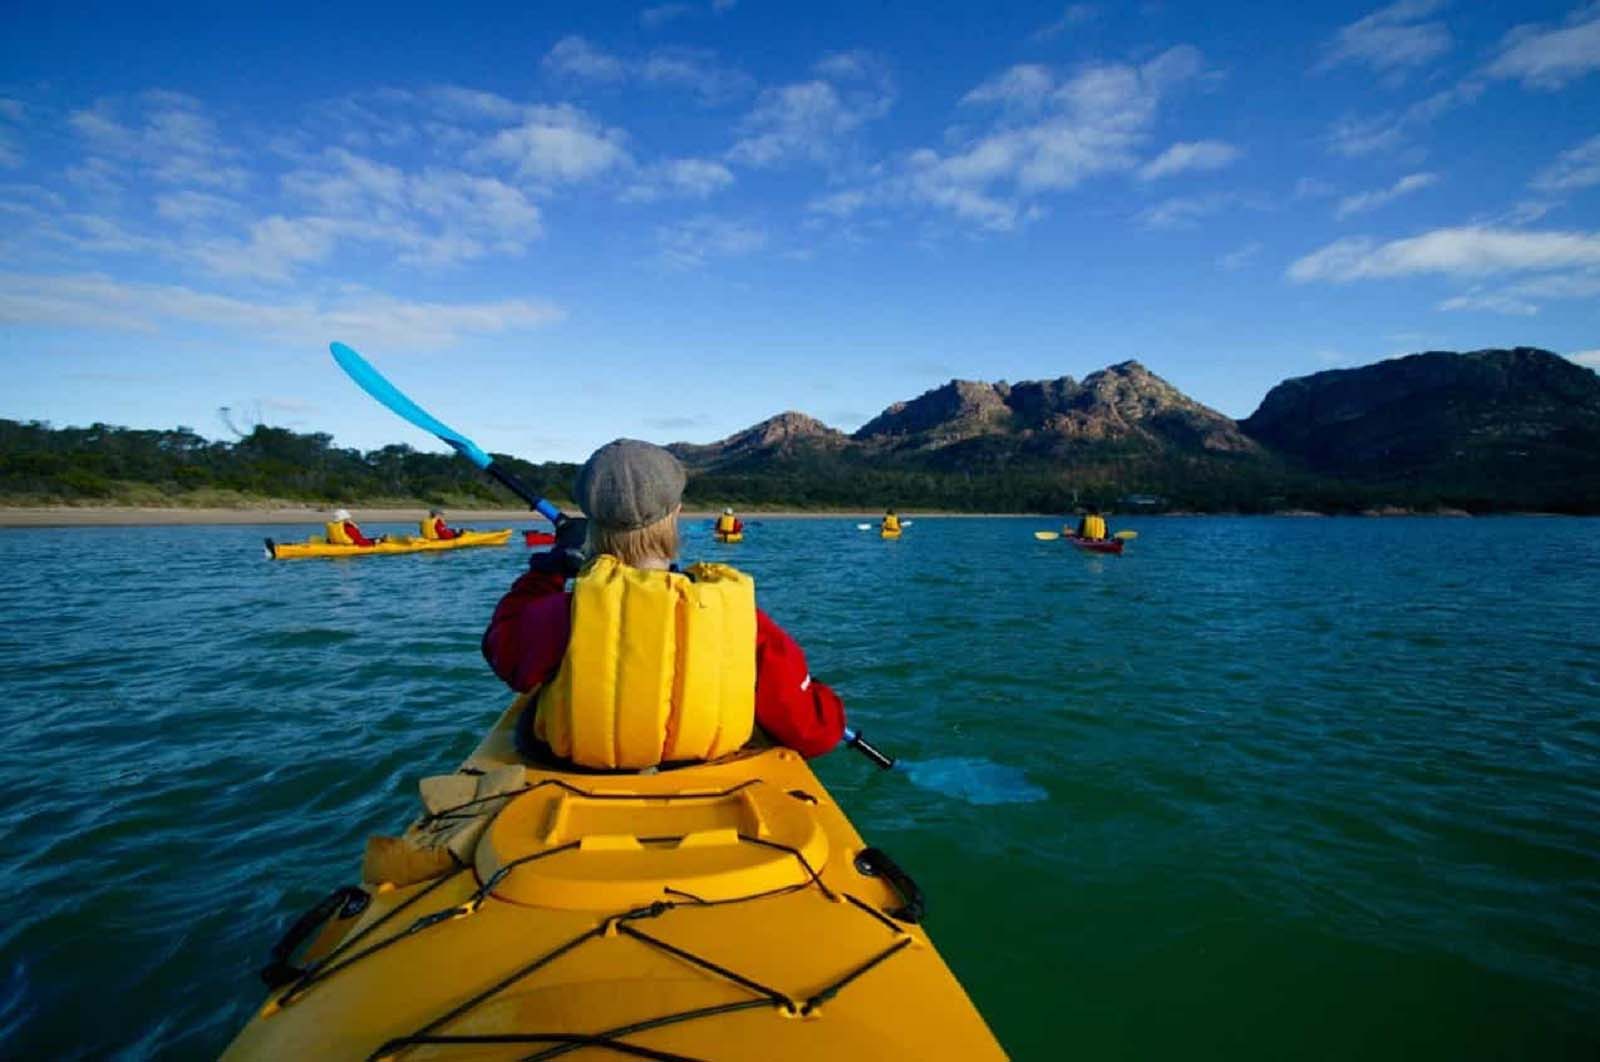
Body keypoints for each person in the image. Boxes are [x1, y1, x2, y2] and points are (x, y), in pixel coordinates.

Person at [482, 439, 845, 769]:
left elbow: (503, 651)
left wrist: (548, 571)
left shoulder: (563, 615)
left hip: (581, 772)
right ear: (677, 513)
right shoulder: (738, 620)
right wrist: (820, 694)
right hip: (704, 775)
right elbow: (814, 734)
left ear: (590, 523)